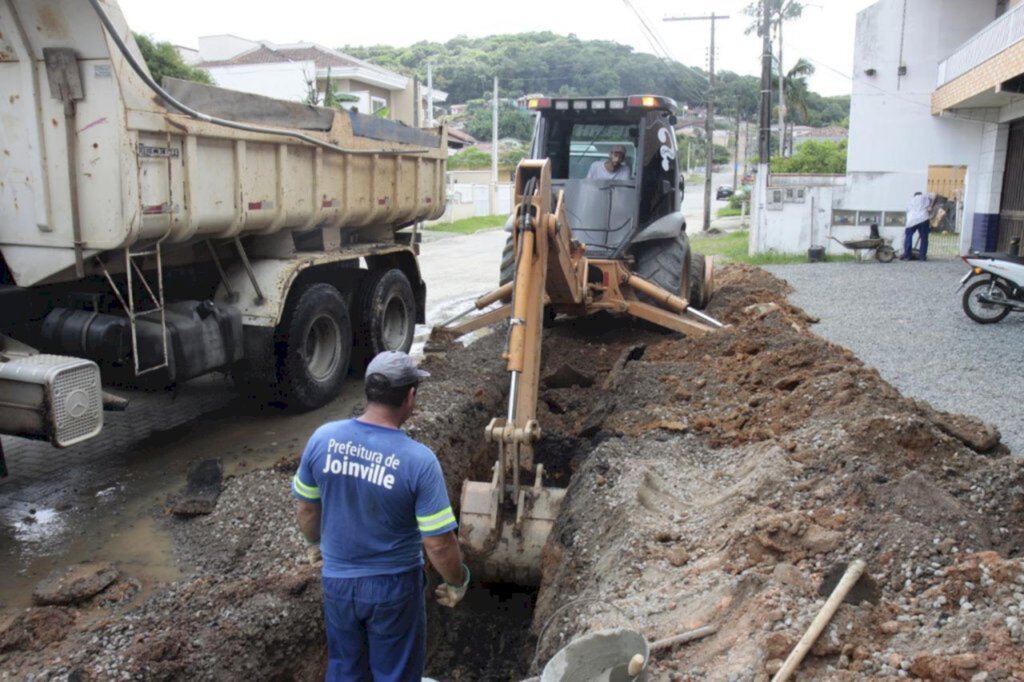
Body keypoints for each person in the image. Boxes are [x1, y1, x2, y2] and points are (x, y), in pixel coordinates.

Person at [292, 350, 470, 682]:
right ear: (410, 396)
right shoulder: (419, 461)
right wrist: (457, 580)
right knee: (395, 674)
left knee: (346, 669)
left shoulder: (323, 439)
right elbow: (439, 544)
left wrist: (313, 544)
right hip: (394, 588)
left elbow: (306, 507)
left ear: (369, 392)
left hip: (338, 584)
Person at [902, 190, 936, 261]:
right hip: (923, 218)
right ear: (921, 194)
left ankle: (907, 255)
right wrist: (930, 205)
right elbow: (934, 194)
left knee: (908, 236)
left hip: (911, 220)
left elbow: (907, 212)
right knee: (924, 238)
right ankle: (922, 256)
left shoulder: (910, 201)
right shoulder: (924, 197)